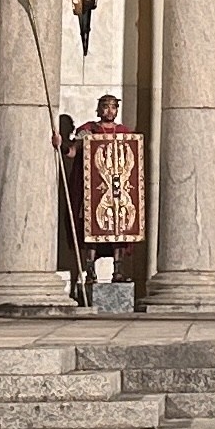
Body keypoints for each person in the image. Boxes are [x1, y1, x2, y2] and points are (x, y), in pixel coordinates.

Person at [65, 94, 145, 301]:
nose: (109, 111)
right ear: (98, 109)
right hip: (94, 192)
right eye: (105, 107)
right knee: (92, 230)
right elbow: (73, 152)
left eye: (113, 107)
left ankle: (117, 271)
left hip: (118, 193)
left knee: (119, 231)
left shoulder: (124, 133)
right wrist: (62, 145)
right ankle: (89, 270)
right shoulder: (89, 130)